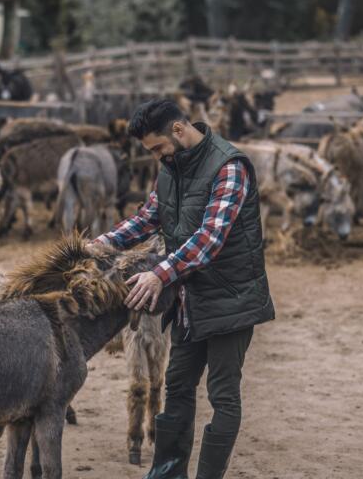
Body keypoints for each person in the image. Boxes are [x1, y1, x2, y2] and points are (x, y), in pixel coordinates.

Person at [90, 99, 275, 479]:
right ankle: (168, 474)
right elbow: (148, 218)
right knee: (176, 385)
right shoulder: (170, 170)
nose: (156, 156)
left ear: (178, 129)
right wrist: (101, 244)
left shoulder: (230, 167)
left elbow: (210, 238)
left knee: (223, 395)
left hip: (231, 299)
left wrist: (160, 273)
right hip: (192, 298)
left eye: (157, 147)